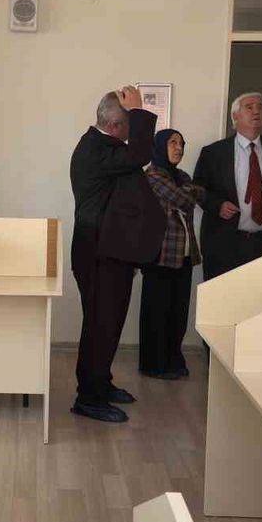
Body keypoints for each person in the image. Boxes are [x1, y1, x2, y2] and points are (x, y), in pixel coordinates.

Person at [69, 86, 166, 423]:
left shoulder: (105, 147)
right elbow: (140, 155)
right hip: (99, 255)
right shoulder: (95, 149)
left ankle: (101, 383)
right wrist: (139, 111)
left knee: (108, 324)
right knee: (100, 326)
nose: (131, 132)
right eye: (129, 124)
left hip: (111, 252)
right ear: (115, 125)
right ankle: (88, 397)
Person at [193, 92, 262, 282]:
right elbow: (197, 189)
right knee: (223, 295)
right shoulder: (214, 152)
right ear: (235, 116)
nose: (257, 111)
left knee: (261, 296)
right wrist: (218, 205)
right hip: (225, 242)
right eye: (249, 107)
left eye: (261, 107)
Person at [139, 129, 203, 380]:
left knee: (178, 312)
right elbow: (186, 199)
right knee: (158, 311)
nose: (179, 148)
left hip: (184, 253)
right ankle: (154, 364)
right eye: (173, 143)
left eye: (181, 144)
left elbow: (194, 194)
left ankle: (173, 360)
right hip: (161, 254)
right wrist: (190, 193)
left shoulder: (182, 175)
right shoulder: (153, 174)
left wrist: (190, 192)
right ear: (159, 147)